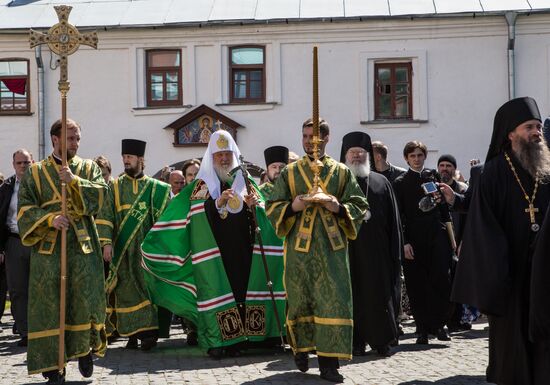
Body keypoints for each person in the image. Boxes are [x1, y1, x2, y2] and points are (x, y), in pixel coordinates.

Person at [141, 130, 285, 359]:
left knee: (245, 290)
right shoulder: (202, 184)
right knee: (219, 291)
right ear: (211, 157)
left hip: (245, 251)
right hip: (216, 253)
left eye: (228, 153)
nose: (224, 159)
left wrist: (254, 206)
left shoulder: (245, 180)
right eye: (219, 155)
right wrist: (217, 203)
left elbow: (263, 214)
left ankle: (251, 337)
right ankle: (221, 340)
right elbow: (196, 217)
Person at [451, 97, 550, 384]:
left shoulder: (546, 171)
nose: (536, 132)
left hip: (544, 274)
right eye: (529, 126)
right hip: (509, 274)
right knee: (512, 344)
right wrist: (499, 272)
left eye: (538, 126)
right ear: (510, 133)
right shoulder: (492, 173)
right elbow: (483, 228)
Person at [266, 118, 368, 383]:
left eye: (314, 137)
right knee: (301, 301)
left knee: (332, 303)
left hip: (332, 251)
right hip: (299, 252)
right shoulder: (290, 172)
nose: (309, 141)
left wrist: (337, 206)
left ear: (326, 138)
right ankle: (300, 349)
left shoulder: (342, 171)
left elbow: (359, 204)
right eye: (305, 136)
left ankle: (329, 364)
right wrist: (293, 207)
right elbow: (272, 205)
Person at [17, 118, 107, 384]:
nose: (75, 143)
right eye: (70, 138)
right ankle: (53, 365)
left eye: (77, 138)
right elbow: (24, 209)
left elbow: (101, 197)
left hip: (82, 248)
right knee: (50, 305)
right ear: (55, 139)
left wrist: (75, 181)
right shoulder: (35, 173)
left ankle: (84, 350)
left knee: (83, 301)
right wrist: (49, 220)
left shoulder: (89, 168)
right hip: (49, 250)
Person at [96, 139, 171, 351]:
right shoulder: (115, 186)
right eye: (124, 157)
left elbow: (166, 220)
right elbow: (106, 216)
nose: (125, 161)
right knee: (127, 290)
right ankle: (131, 333)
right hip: (123, 251)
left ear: (140, 159)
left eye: (129, 157)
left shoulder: (156, 188)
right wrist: (107, 244)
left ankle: (148, 334)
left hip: (148, 250)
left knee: (147, 290)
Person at [340, 132, 402, 358]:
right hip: (347, 250)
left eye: (361, 153)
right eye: (352, 153)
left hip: (377, 253)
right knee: (353, 297)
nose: (356, 156)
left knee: (378, 297)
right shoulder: (338, 183)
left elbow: (393, 221)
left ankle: (382, 340)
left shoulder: (381, 181)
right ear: (345, 156)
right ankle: (355, 342)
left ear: (368, 156)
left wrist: (395, 251)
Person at [393, 141, 453, 345]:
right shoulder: (400, 182)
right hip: (414, 238)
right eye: (413, 156)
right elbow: (399, 215)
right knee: (417, 283)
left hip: (437, 233)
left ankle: (439, 324)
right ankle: (422, 328)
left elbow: (444, 208)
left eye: (420, 155)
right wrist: (405, 242)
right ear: (406, 158)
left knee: (440, 279)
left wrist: (451, 237)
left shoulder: (433, 177)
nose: (417, 159)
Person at [0, 149, 33, 347]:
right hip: (14, 241)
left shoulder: (40, 185)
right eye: (19, 163)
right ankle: (25, 331)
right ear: (13, 164)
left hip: (36, 241)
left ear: (32, 162)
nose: (23, 166)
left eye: (26, 162)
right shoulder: (6, 188)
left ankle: (40, 329)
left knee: (38, 287)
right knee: (17, 289)